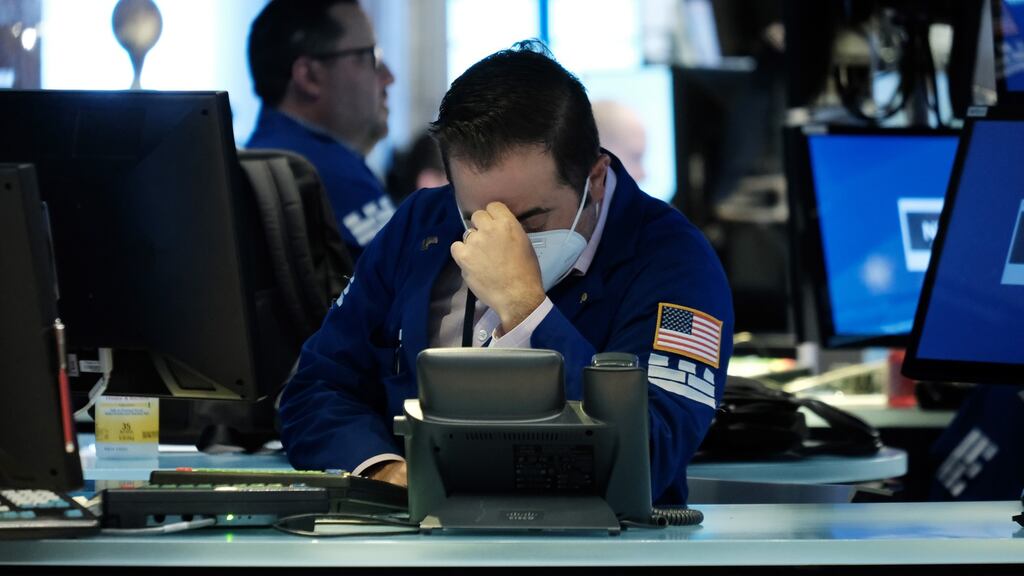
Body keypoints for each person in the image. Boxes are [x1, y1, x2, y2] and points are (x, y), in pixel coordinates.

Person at [278, 42, 734, 505]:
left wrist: (526, 309)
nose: (504, 239)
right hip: (416, 542)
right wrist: (384, 471)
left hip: (594, 549)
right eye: (478, 216)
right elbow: (315, 388)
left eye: (531, 220)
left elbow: (650, 455)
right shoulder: (421, 226)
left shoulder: (676, 263)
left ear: (594, 179)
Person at [246, 0, 396, 259]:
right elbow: (410, 284)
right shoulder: (327, 173)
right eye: (372, 57)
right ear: (309, 77)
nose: (388, 77)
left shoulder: (261, 156)